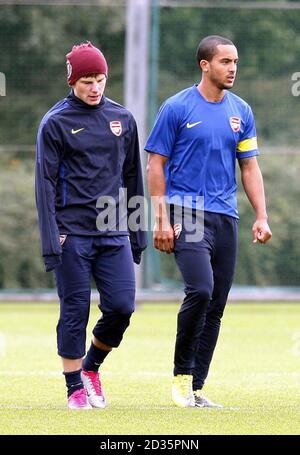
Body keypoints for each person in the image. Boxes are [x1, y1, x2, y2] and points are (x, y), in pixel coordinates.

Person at [145, 35, 272, 408]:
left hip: (225, 217)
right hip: (186, 213)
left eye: (235, 62)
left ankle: (196, 389)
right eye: (225, 61)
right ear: (205, 64)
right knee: (200, 289)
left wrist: (261, 215)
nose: (232, 68)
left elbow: (249, 166)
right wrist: (161, 220)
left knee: (216, 302)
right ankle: (181, 379)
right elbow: (156, 164)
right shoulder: (176, 107)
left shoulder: (241, 111)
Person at [35, 42, 147, 410]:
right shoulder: (55, 123)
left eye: (99, 79)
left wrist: (137, 231)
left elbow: (132, 176)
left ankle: (91, 367)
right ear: (72, 81)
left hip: (113, 230)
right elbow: (45, 185)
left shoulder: (123, 119)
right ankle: (74, 389)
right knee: (75, 309)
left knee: (122, 307)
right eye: (86, 80)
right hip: (72, 232)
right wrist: (52, 242)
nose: (94, 87)